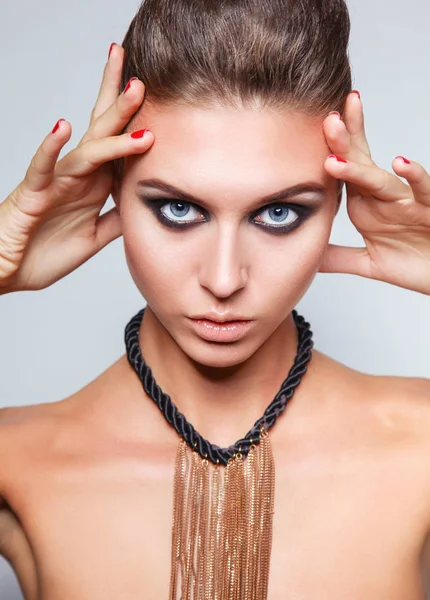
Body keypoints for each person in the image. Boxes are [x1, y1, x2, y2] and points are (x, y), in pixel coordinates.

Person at [1, 0, 430, 598]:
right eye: (178, 209)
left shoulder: (421, 447)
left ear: (340, 201)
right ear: (113, 191)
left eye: (279, 213)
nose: (225, 279)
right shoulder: (16, 462)